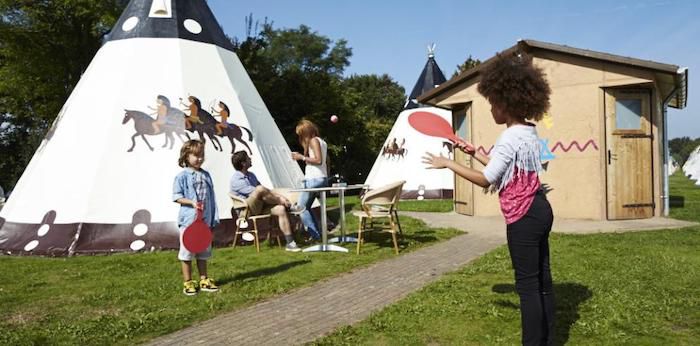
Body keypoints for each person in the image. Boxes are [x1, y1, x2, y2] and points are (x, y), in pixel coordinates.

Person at [422, 52, 555, 346]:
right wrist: (475, 154)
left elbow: (488, 179)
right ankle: (548, 339)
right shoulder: (528, 132)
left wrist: (449, 163)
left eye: (493, 102)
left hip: (524, 215)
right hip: (541, 209)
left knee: (528, 286)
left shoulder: (509, 137)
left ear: (506, 102)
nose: (491, 108)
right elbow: (505, 168)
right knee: (543, 282)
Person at [230, 151, 302, 252]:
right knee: (259, 189)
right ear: (243, 163)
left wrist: (279, 196)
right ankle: (289, 206)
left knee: (280, 209)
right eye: (248, 158)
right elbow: (257, 191)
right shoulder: (236, 180)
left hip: (260, 205)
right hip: (246, 210)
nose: (250, 159)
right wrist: (279, 198)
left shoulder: (251, 175)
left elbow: (266, 192)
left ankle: (290, 243)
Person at [172, 139, 219, 296]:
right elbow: (176, 196)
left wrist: (213, 218)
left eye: (202, 155)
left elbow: (211, 198)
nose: (199, 159)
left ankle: (204, 279)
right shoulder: (182, 176)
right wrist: (191, 203)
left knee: (203, 251)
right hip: (189, 222)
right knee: (187, 251)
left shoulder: (206, 175)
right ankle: (188, 281)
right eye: (196, 155)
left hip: (204, 221)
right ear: (186, 156)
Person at [291, 119, 328, 241]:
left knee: (301, 208)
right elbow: (325, 162)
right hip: (321, 177)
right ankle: (318, 234)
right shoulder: (322, 141)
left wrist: (301, 157)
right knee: (307, 207)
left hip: (313, 179)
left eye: (302, 134)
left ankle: (315, 235)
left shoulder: (313, 141)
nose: (301, 137)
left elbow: (318, 160)